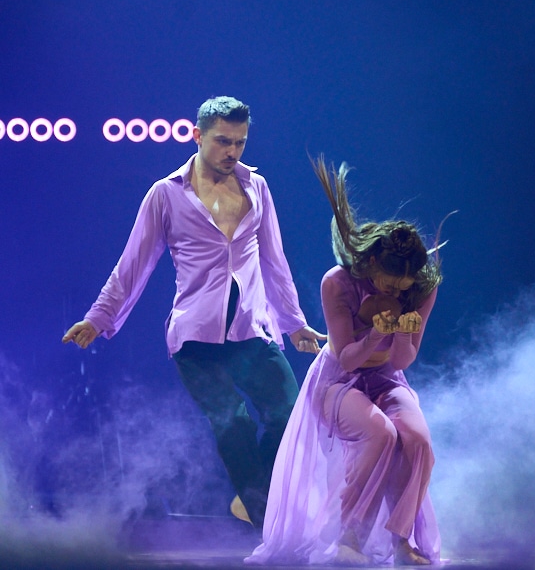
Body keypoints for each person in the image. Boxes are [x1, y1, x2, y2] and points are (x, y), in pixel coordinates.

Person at [62, 96, 325, 529]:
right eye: (223, 141)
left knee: (289, 415)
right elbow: (133, 265)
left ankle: (252, 498)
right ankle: (268, 521)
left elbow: (274, 262)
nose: (232, 151)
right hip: (196, 339)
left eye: (240, 142)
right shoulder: (166, 194)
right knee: (233, 425)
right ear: (197, 135)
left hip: (252, 330)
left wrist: (294, 323)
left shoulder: (257, 187)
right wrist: (99, 317)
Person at [247, 157, 443, 567]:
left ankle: (401, 542)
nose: (397, 292)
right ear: (371, 265)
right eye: (390, 284)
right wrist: (374, 333)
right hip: (338, 380)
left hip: (387, 380)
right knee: (380, 433)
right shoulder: (337, 282)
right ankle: (348, 536)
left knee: (417, 439)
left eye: (403, 287)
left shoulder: (421, 289)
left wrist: (401, 332)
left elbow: (402, 359)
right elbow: (350, 359)